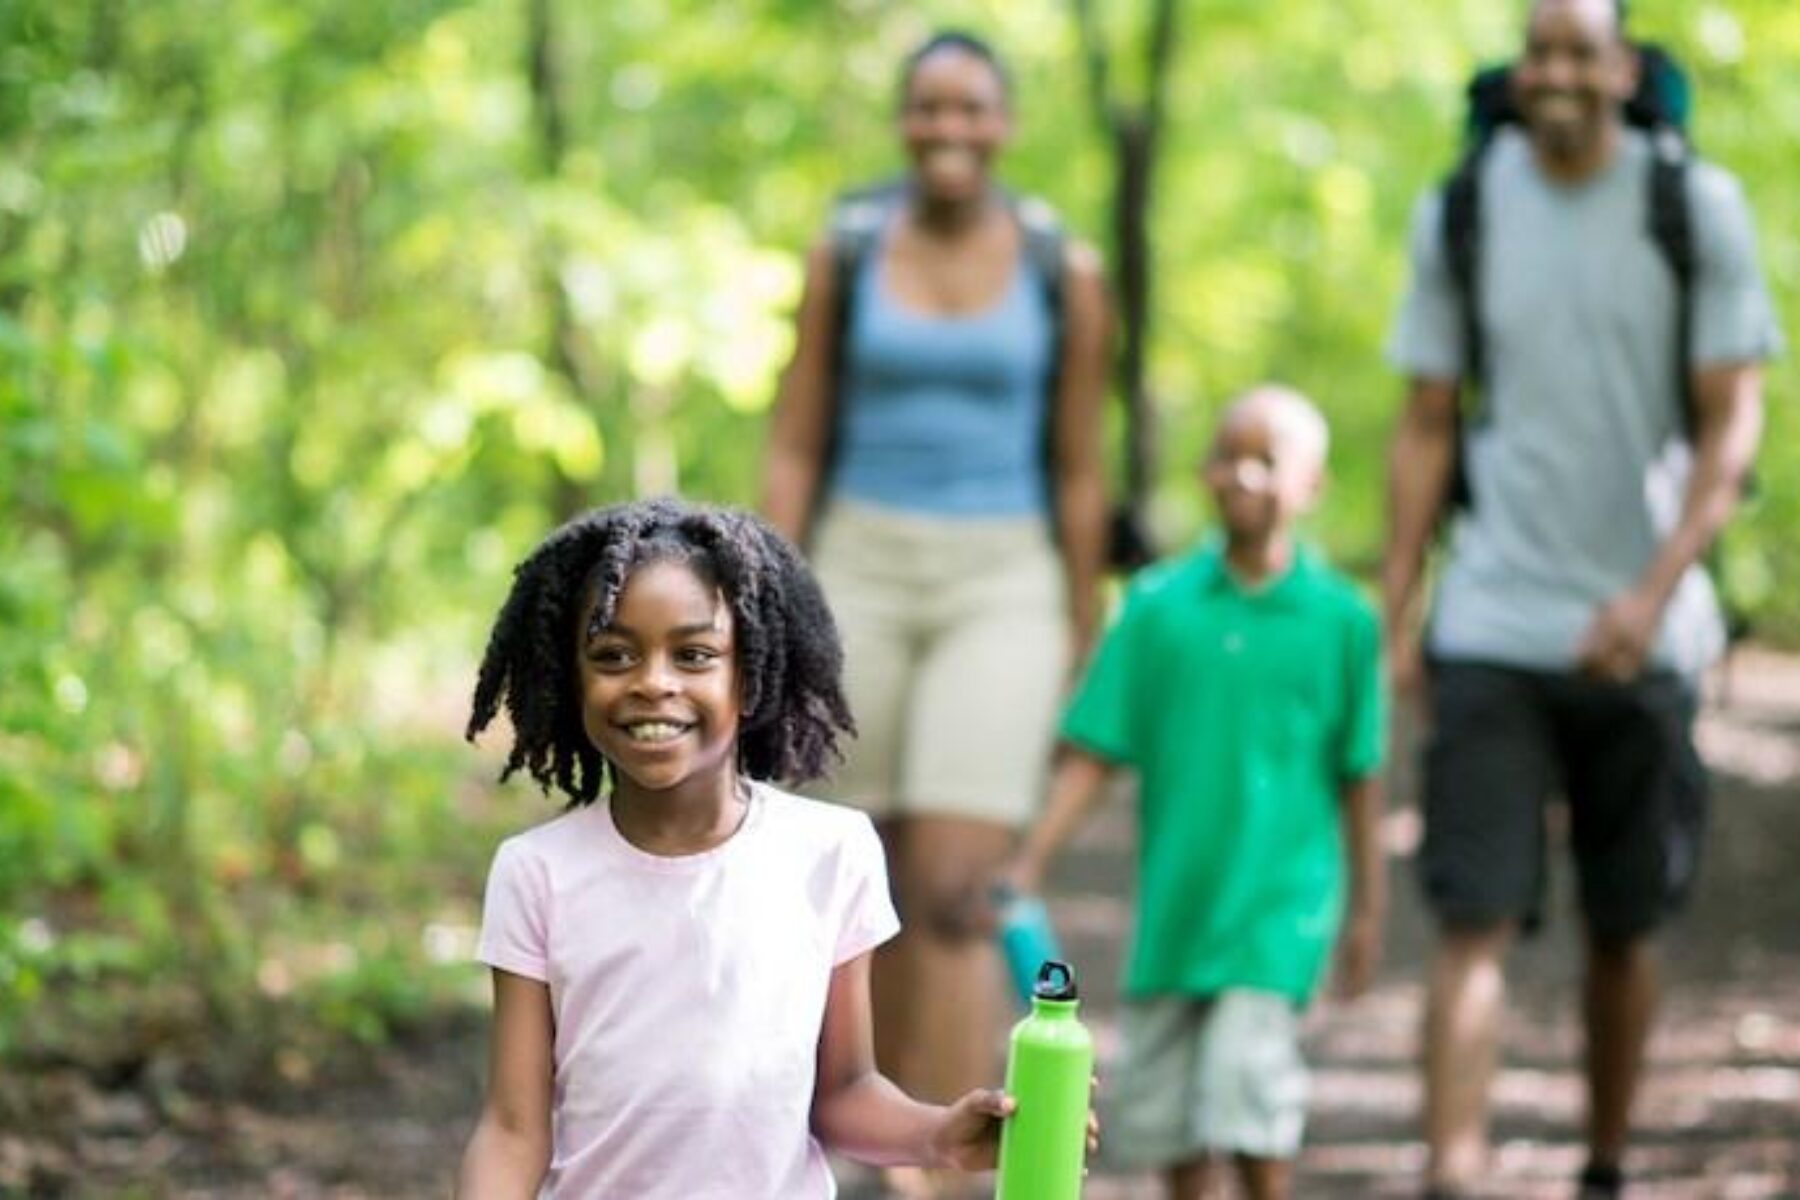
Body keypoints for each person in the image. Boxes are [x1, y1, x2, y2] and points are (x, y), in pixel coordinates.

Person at [1382, 1, 1782, 1195]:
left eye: (1578, 51)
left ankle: (1604, 1165)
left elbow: (1732, 419)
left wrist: (1652, 595)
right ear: (1520, 65)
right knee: (1471, 917)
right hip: (1494, 617)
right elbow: (1424, 419)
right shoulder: (1462, 208)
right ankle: (1455, 1173)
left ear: (1621, 67)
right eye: (1537, 49)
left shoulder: (1692, 206)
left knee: (1625, 923)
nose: (1554, 72)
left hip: (1648, 636)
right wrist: (1400, 609)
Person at [455, 499, 1055, 1198]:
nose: (654, 681)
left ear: (751, 676)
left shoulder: (830, 853)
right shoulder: (538, 873)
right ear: (571, 679)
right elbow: (513, 1127)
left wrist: (937, 1134)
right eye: (614, 655)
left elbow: (841, 1094)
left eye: (695, 655)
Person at [759, 25, 1112, 1154]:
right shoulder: (848, 249)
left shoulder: (1066, 268)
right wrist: (769, 589)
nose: (949, 130)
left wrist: (1081, 620)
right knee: (853, 874)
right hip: (856, 561)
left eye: (972, 110)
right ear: (905, 122)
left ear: (1004, 125)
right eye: (929, 109)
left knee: (959, 886)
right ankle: (866, 1133)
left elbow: (1078, 464)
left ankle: (947, 1167)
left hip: (1003, 572)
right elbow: (797, 436)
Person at [1001, 386, 1387, 1200]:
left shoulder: (1341, 621)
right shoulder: (1157, 610)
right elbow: (1096, 752)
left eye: (1266, 461)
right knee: (1170, 1118)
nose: (1242, 476)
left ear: (1310, 486)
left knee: (1247, 1099)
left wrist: (1367, 912)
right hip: (1176, 910)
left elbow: (1360, 775)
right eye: (1227, 456)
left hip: (1279, 910)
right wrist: (1029, 862)